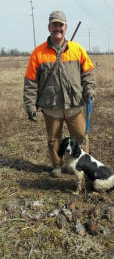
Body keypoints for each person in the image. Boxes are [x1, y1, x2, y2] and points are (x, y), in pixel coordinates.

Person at [23, 10, 96, 177]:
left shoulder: (77, 49)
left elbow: (89, 73)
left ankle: (82, 166)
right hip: (51, 106)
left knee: (81, 137)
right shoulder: (38, 53)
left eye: (60, 25)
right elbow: (30, 81)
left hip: (75, 105)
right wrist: (30, 105)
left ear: (66, 27)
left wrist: (89, 90)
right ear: (49, 27)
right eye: (54, 25)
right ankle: (57, 166)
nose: (58, 28)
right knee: (54, 139)